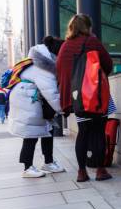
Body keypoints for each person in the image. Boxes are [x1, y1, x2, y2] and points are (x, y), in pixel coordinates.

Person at [57, 14, 113, 182]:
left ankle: (82, 172)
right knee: (98, 132)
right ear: (87, 27)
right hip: (95, 96)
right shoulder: (91, 41)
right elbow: (108, 64)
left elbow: (60, 73)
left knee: (83, 133)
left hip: (77, 99)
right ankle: (100, 170)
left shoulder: (65, 46)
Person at [10, 36, 66, 178]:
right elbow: (51, 93)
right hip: (28, 100)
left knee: (48, 129)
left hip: (31, 98)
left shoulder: (40, 62)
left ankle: (48, 161)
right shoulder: (42, 67)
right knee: (31, 133)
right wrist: (63, 108)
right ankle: (27, 167)